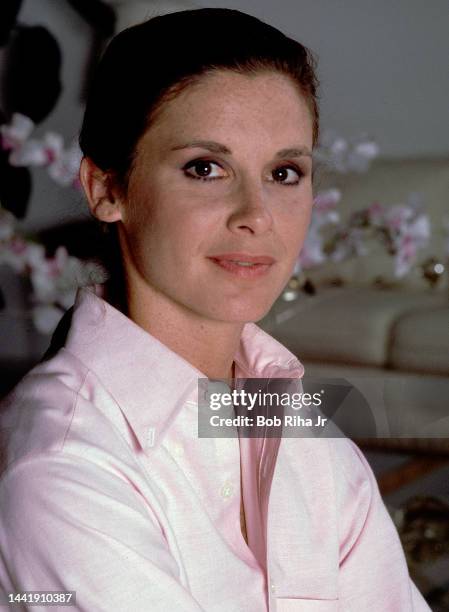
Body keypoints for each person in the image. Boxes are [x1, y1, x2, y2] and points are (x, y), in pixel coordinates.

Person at [0, 8, 430, 611]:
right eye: (206, 168)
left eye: (284, 172)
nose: (256, 214)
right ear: (107, 189)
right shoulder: (63, 467)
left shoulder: (307, 437)